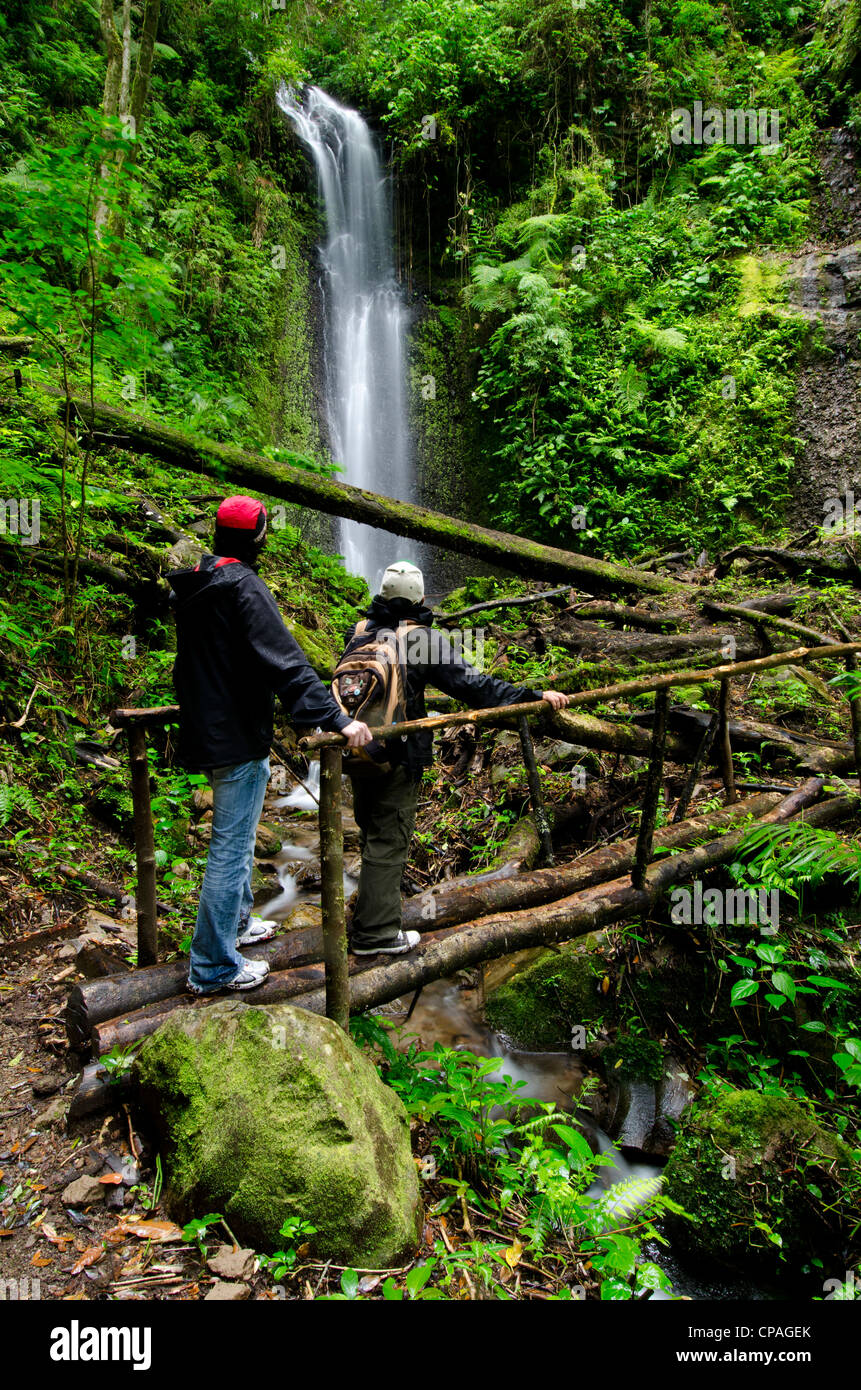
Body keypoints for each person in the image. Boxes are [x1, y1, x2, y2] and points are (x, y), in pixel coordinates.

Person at [170, 495, 372, 994]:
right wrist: (336, 718)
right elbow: (284, 662)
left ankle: (236, 926)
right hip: (235, 735)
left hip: (208, 729)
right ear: (258, 537)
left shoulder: (195, 582)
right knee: (231, 848)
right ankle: (213, 967)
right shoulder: (244, 587)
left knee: (234, 843)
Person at [341, 561, 570, 956]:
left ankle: (370, 917)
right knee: (388, 839)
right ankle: (375, 936)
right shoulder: (422, 639)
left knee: (371, 835)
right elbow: (475, 688)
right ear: (421, 598)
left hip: (359, 751)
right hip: (399, 755)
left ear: (381, 593)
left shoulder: (358, 631)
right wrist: (533, 698)